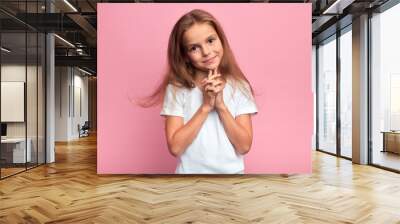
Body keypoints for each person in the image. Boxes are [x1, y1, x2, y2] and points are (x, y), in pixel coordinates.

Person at [144, 9, 257, 174]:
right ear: (184, 55)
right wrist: (205, 106)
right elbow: (175, 147)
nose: (206, 52)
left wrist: (220, 105)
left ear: (221, 40)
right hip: (188, 179)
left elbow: (244, 146)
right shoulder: (176, 89)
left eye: (211, 40)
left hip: (232, 179)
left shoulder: (240, 87)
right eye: (194, 48)